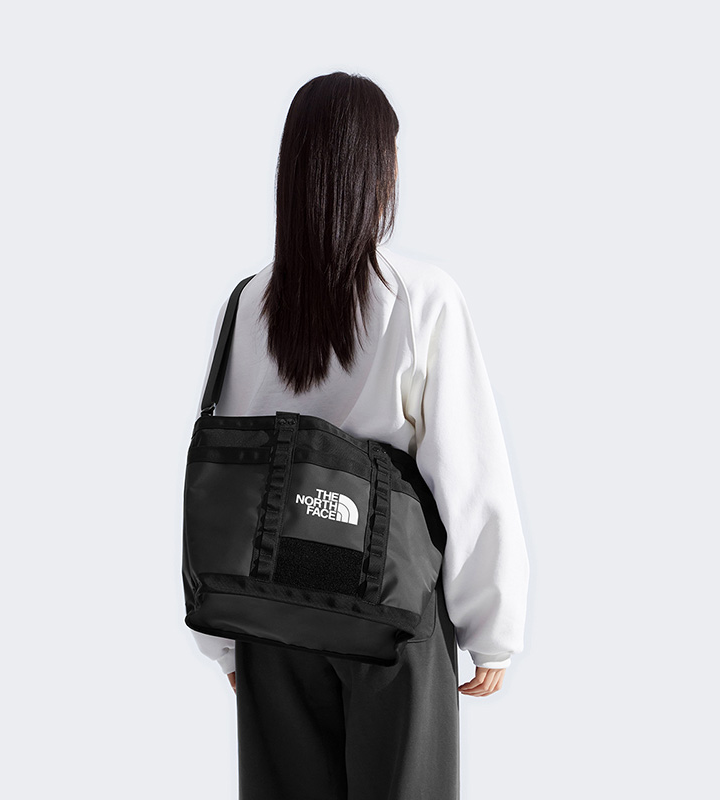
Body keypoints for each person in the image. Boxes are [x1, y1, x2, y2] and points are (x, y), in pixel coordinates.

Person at [188, 71, 530, 800]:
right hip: (392, 615)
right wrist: (493, 626)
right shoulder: (421, 296)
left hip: (272, 612)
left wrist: (223, 638)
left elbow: (225, 472)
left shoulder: (249, 302)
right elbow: (467, 472)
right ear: (377, 168)